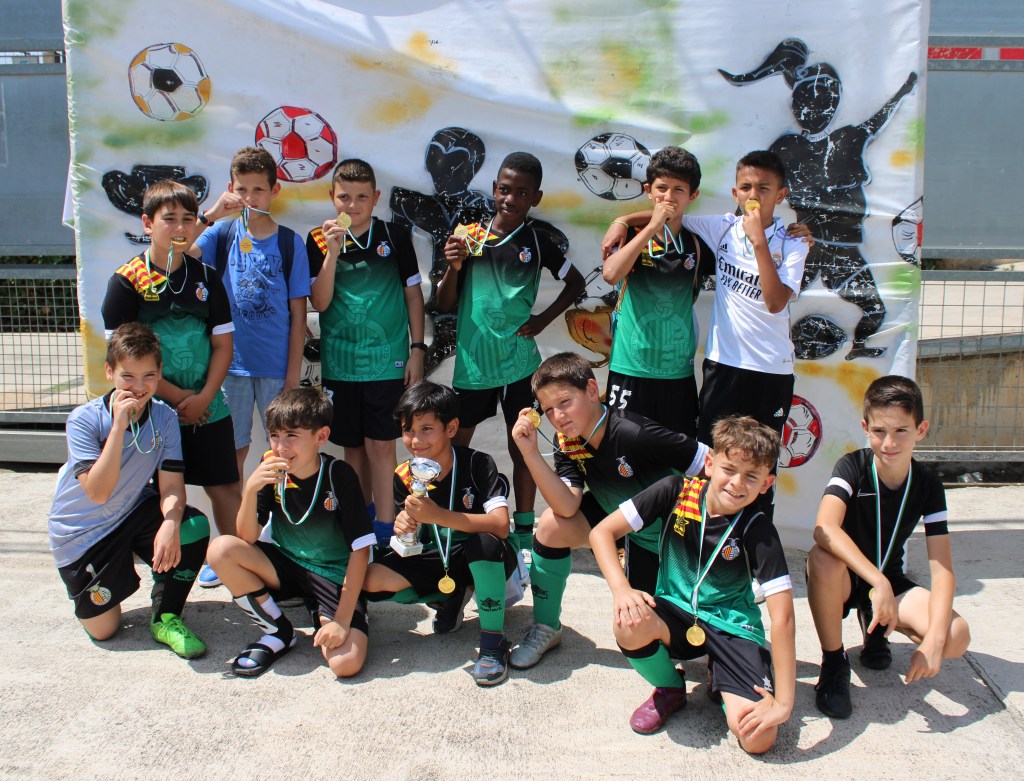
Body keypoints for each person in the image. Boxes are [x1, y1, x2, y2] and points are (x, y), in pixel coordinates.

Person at [590, 416, 795, 754]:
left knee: (758, 739)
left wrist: (784, 703)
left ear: (766, 484)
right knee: (629, 621)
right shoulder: (676, 490)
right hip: (677, 612)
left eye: (751, 476)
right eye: (729, 469)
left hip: (732, 628)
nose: (737, 483)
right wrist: (621, 590)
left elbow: (783, 617)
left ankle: (726, 679)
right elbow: (601, 532)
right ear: (710, 464)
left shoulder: (758, 529)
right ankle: (670, 689)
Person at [508, 352, 708, 670]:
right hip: (625, 529)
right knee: (549, 526)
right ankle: (546, 626)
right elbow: (566, 505)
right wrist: (530, 453)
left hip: (675, 541)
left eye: (565, 402)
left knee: (682, 638)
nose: (558, 415)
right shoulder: (566, 441)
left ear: (591, 390)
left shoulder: (634, 432)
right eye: (548, 410)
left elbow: (711, 465)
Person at [603, 150, 810, 447]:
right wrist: (622, 220)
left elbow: (776, 303)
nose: (754, 195)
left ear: (780, 195)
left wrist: (759, 242)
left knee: (761, 455)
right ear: (735, 193)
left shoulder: (793, 241)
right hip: (716, 364)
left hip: (768, 367)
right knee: (707, 453)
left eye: (763, 188)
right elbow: (616, 269)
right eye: (746, 187)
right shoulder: (721, 228)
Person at [439, 151, 585, 555]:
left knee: (523, 445)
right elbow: (444, 303)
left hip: (521, 365)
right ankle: (455, 522)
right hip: (474, 364)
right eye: (505, 190)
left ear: (535, 198)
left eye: (522, 193)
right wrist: (453, 267)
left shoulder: (538, 242)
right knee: (457, 449)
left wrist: (542, 320)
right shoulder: (470, 237)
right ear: (494, 190)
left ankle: (523, 531)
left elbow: (575, 283)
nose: (511, 199)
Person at [807, 375, 971, 718]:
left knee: (956, 636)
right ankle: (834, 663)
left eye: (901, 431)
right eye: (880, 430)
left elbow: (943, 572)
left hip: (891, 582)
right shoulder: (852, 466)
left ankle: (878, 626)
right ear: (865, 428)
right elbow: (824, 528)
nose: (889, 442)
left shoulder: (928, 485)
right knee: (822, 559)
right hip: (848, 578)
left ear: (921, 430)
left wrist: (934, 640)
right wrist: (876, 581)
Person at [48, 323, 210, 658]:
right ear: (109, 372)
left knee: (192, 526)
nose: (139, 387)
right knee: (106, 630)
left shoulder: (164, 418)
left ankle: (166, 615)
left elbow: (171, 485)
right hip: (82, 534)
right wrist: (119, 425)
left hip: (131, 512)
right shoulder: (83, 420)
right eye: (128, 377)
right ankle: (96, 582)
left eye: (148, 376)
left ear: (160, 372)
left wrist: (171, 523)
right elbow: (98, 492)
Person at [101, 179, 240, 545]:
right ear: (148, 223)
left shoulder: (207, 278)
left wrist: (203, 397)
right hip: (148, 409)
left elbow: (223, 346)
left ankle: (241, 564)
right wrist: (178, 397)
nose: (180, 227)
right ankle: (158, 563)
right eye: (170, 218)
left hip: (208, 408)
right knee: (148, 494)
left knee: (226, 488)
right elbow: (121, 361)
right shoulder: (126, 281)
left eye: (188, 219)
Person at [207, 388, 375, 678]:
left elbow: (360, 550)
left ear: (321, 436)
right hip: (286, 565)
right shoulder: (270, 469)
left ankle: (323, 608)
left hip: (331, 574)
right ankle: (278, 630)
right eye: (274, 436)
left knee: (345, 664)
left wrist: (342, 620)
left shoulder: (339, 475)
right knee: (221, 549)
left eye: (292, 436)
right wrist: (251, 489)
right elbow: (246, 537)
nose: (281, 447)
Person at [362, 381, 520, 686]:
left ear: (451, 428)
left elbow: (500, 525)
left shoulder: (477, 463)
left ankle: (493, 643)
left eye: (426, 429)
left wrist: (439, 516)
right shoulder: (405, 475)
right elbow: (411, 533)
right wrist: (403, 526)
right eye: (408, 430)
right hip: (438, 556)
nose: (415, 440)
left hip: (485, 554)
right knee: (370, 579)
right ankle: (451, 597)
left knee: (484, 545)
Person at [308, 159, 426, 542]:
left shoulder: (394, 236)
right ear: (332, 197)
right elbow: (319, 302)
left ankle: (386, 527)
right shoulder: (318, 239)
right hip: (340, 364)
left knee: (381, 444)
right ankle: (362, 527)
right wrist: (331, 253)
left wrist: (417, 349)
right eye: (344, 197)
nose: (353, 205)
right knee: (353, 448)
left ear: (375, 198)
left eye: (362, 197)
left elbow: (413, 295)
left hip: (387, 361)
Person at [191, 145, 311, 497]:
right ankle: (238, 524)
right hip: (231, 367)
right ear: (230, 188)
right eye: (242, 189)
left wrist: (292, 377)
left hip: (276, 368)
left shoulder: (290, 242)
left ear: (275, 190)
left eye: (258, 189)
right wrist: (211, 214)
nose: (249, 197)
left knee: (287, 453)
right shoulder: (220, 234)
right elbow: (174, 251)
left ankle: (283, 520)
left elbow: (299, 315)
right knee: (232, 454)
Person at [602, 146, 713, 436]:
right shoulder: (631, 236)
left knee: (676, 456)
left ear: (693, 196)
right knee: (625, 452)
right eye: (662, 188)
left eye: (679, 189)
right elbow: (611, 275)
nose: (669, 197)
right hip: (629, 368)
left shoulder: (697, 243)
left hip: (677, 371)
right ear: (649, 191)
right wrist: (649, 226)